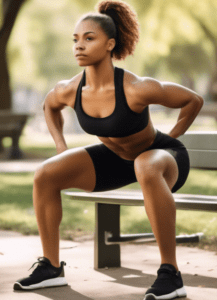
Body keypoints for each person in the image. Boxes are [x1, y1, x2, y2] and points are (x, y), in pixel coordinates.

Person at [14, 1, 203, 299]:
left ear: (109, 44)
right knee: (45, 175)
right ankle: (51, 268)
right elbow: (49, 107)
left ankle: (171, 273)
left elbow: (193, 100)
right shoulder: (70, 89)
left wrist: (173, 136)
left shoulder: (135, 88)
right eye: (75, 39)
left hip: (163, 158)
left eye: (89, 38)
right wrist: (60, 147)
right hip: (119, 160)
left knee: (145, 164)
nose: (79, 45)